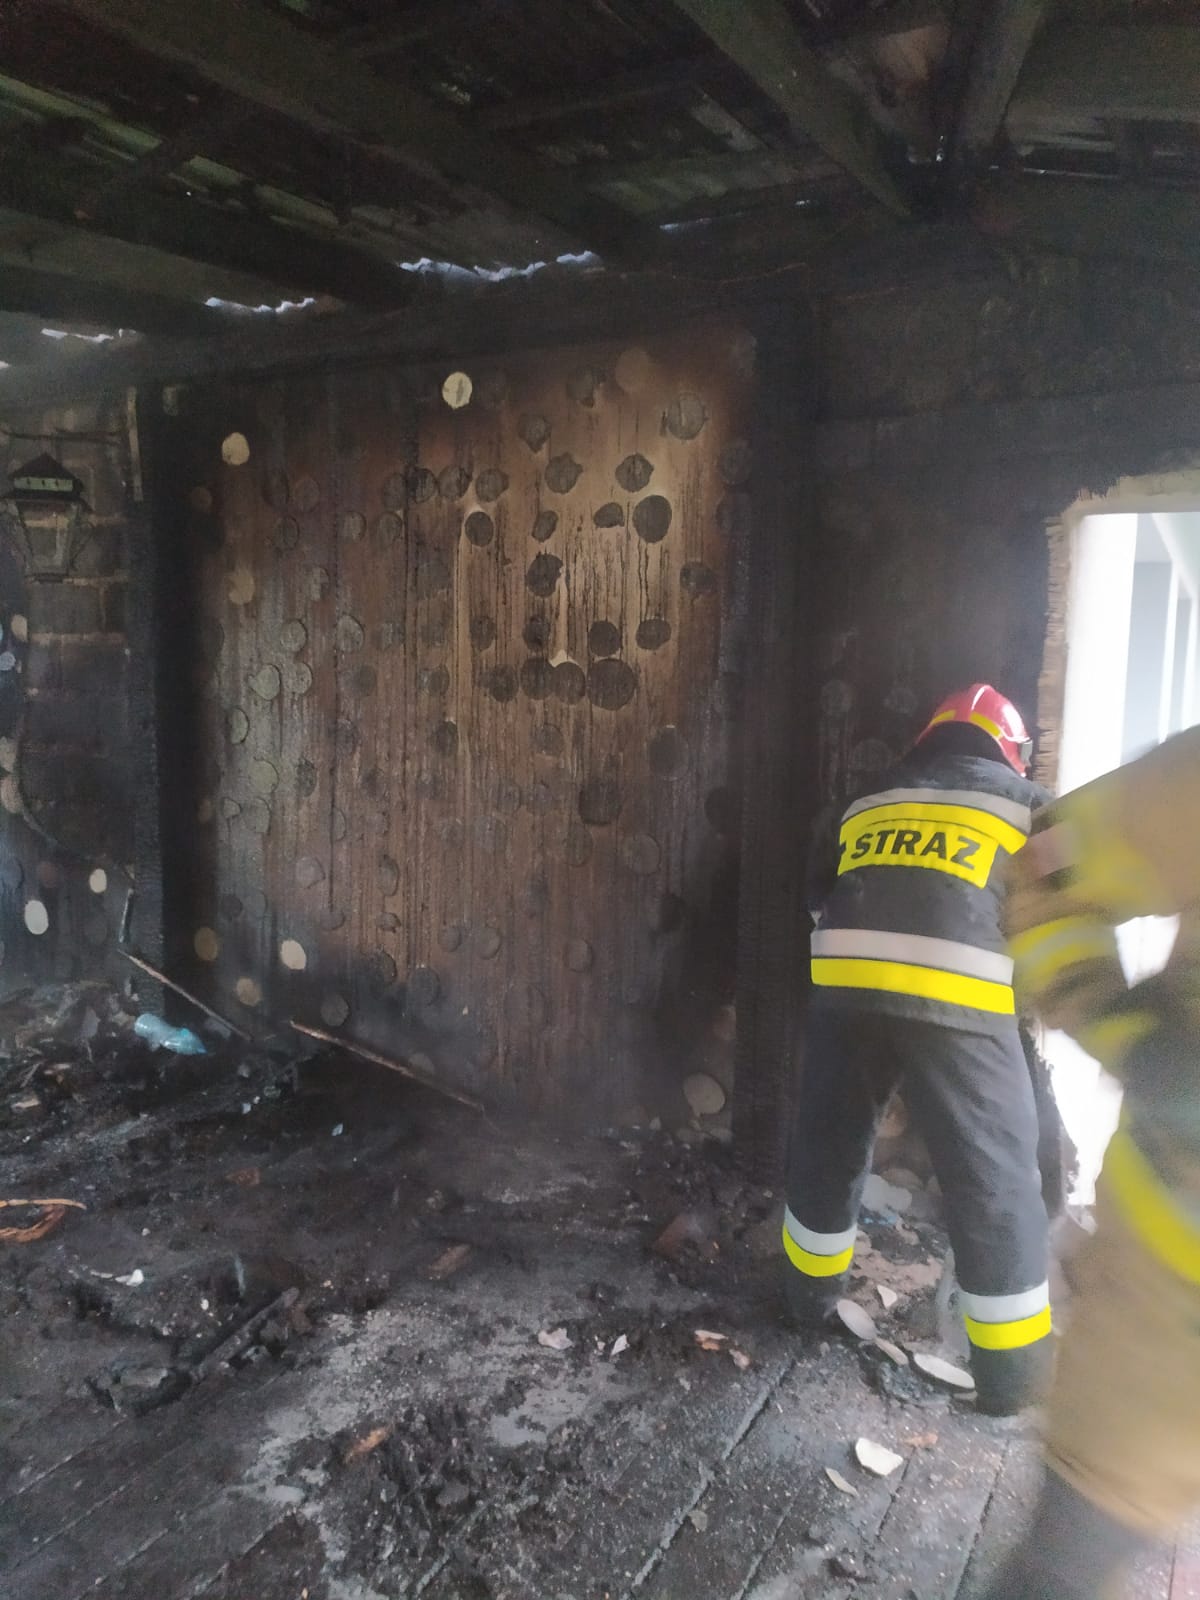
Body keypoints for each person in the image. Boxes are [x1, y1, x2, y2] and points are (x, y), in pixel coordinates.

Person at [783, 683, 1054, 1415]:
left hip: (846, 988)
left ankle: (805, 1300)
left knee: (827, 1145)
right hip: (961, 999)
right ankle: (1012, 1378)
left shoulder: (865, 798)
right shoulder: (1031, 806)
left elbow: (815, 891)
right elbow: (1055, 920)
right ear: (1013, 751)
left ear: (928, 736)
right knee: (995, 1179)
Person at [982, 727, 1200, 1600]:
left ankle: (1004, 1371)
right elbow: (1051, 870)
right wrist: (1130, 1035)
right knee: (991, 1162)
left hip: (1157, 1328)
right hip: (1167, 1334)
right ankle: (1003, 1371)